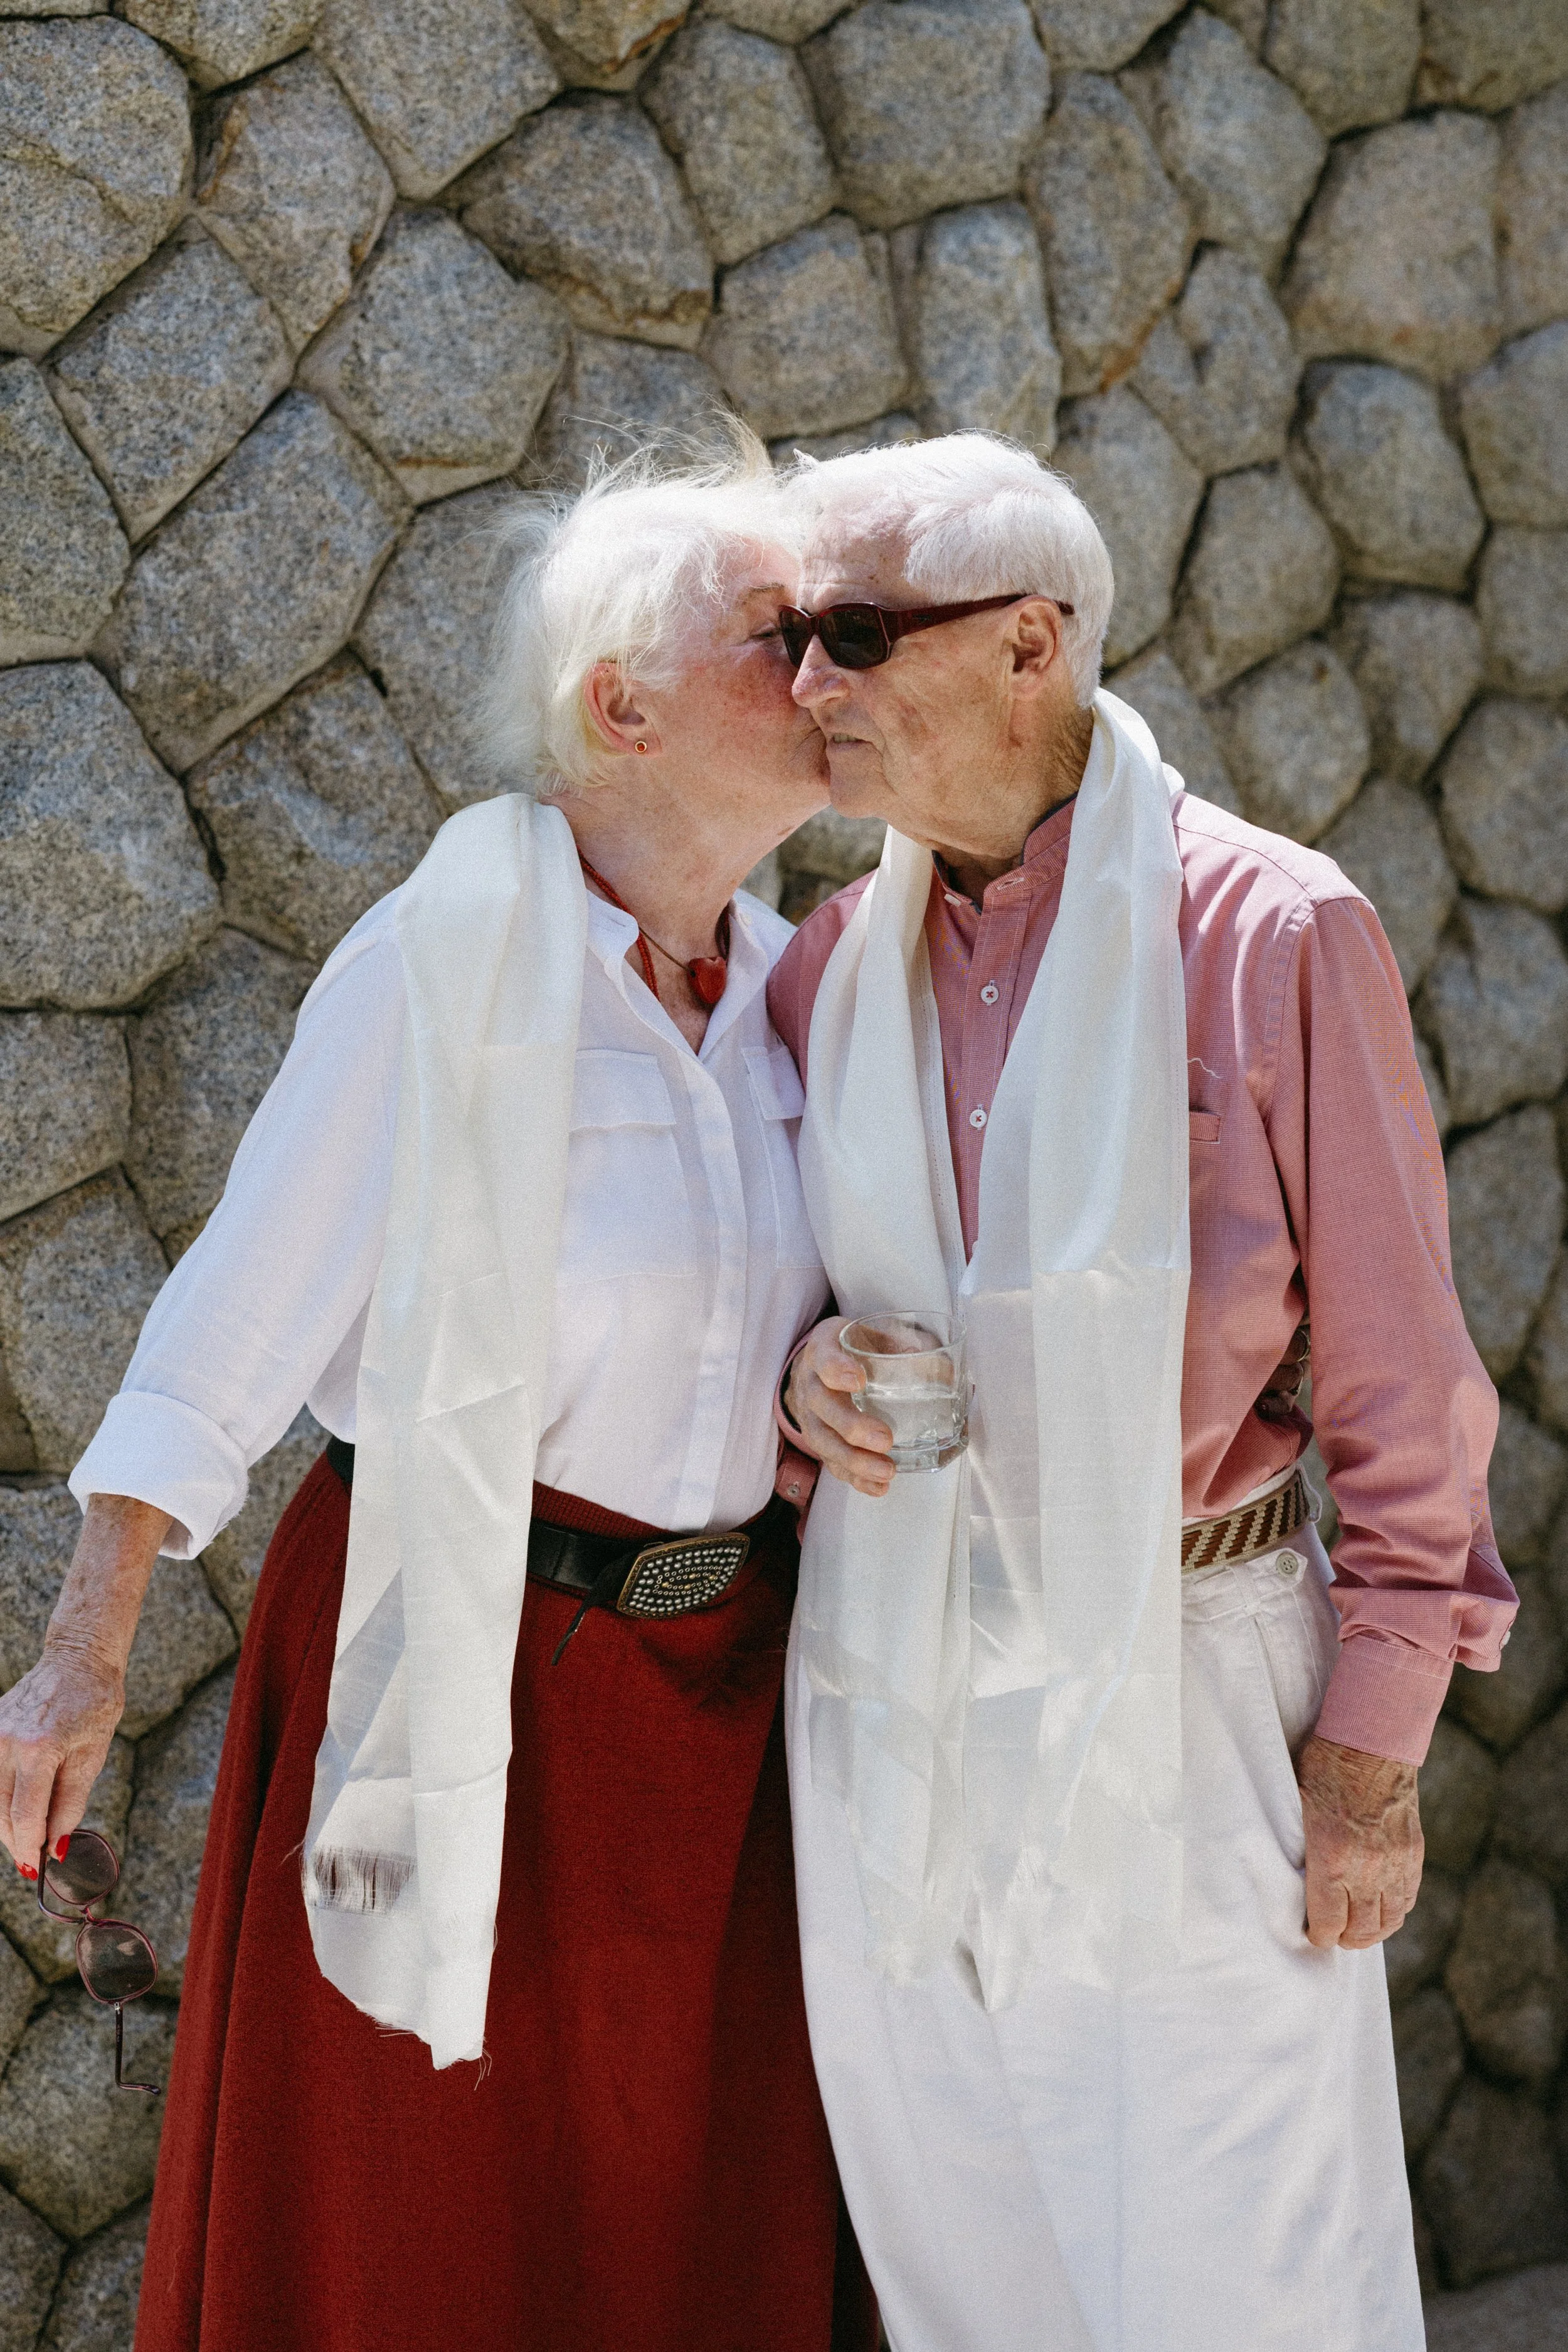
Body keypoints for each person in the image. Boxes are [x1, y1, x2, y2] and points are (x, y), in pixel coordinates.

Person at [0, 445, 878, 2352]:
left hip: (720, 1712)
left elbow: (825, 1319)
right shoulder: (436, 967)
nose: (830, 677)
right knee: (413, 2239)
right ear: (616, 703)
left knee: (678, 2236)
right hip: (454, 1668)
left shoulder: (804, 995)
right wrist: (82, 1656)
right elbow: (233, 1318)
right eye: (781, 636)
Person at [766, 433, 1515, 2352]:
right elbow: (759, 1313)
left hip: (1187, 1688)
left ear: (1031, 644)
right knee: (967, 2254)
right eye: (790, 640)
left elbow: (1407, 1390)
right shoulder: (835, 968)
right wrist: (804, 1372)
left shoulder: (1273, 934)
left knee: (1239, 2274)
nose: (804, 691)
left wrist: (1360, 1768)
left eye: (850, 632)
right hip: (889, 1685)